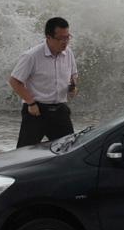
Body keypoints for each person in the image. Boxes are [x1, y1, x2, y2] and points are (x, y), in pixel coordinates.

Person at [8, 17, 79, 148]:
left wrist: (72, 87)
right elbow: (15, 81)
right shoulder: (32, 55)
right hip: (37, 111)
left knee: (68, 151)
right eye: (61, 38)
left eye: (67, 37)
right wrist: (31, 103)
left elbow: (73, 75)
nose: (65, 42)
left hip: (60, 110)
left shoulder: (68, 53)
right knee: (24, 154)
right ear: (48, 37)